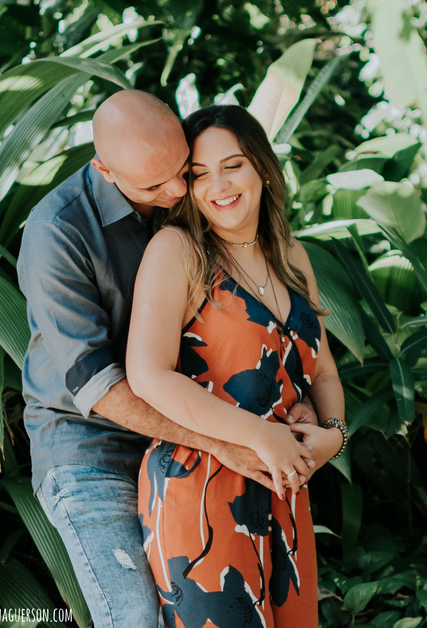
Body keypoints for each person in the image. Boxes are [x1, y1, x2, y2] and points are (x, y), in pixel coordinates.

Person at [18, 91, 317, 626]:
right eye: (156, 185)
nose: (179, 190)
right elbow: (98, 386)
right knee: (135, 616)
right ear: (104, 169)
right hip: (92, 451)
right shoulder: (56, 233)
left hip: (188, 440)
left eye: (184, 170)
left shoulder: (188, 192)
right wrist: (227, 441)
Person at [127, 104, 347, 628]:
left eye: (233, 166)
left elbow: (325, 372)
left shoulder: (293, 256)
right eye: (199, 175)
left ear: (262, 168)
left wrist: (334, 436)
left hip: (285, 489)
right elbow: (147, 374)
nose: (217, 186)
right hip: (199, 490)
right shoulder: (177, 250)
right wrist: (260, 435)